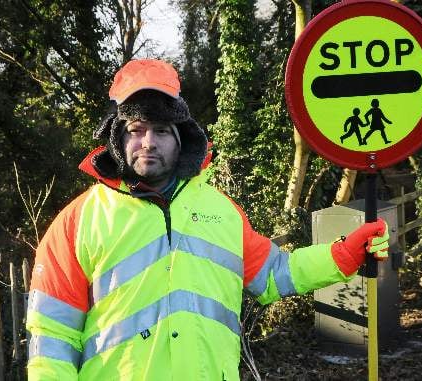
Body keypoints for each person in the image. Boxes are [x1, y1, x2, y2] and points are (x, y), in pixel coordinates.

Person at [26, 59, 390, 380]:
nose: (148, 142)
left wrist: (343, 254)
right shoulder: (77, 222)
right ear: (117, 138)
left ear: (181, 138)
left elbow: (278, 274)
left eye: (162, 130)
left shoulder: (222, 212)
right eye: (136, 130)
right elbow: (52, 337)